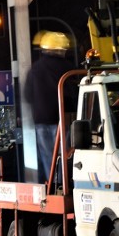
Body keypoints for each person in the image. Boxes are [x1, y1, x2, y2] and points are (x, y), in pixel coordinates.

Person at [24, 31, 76, 184]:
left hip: (41, 120)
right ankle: (65, 184)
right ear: (60, 49)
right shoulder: (68, 68)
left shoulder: (35, 68)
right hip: (63, 118)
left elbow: (27, 95)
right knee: (65, 155)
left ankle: (54, 186)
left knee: (49, 157)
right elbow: (74, 92)